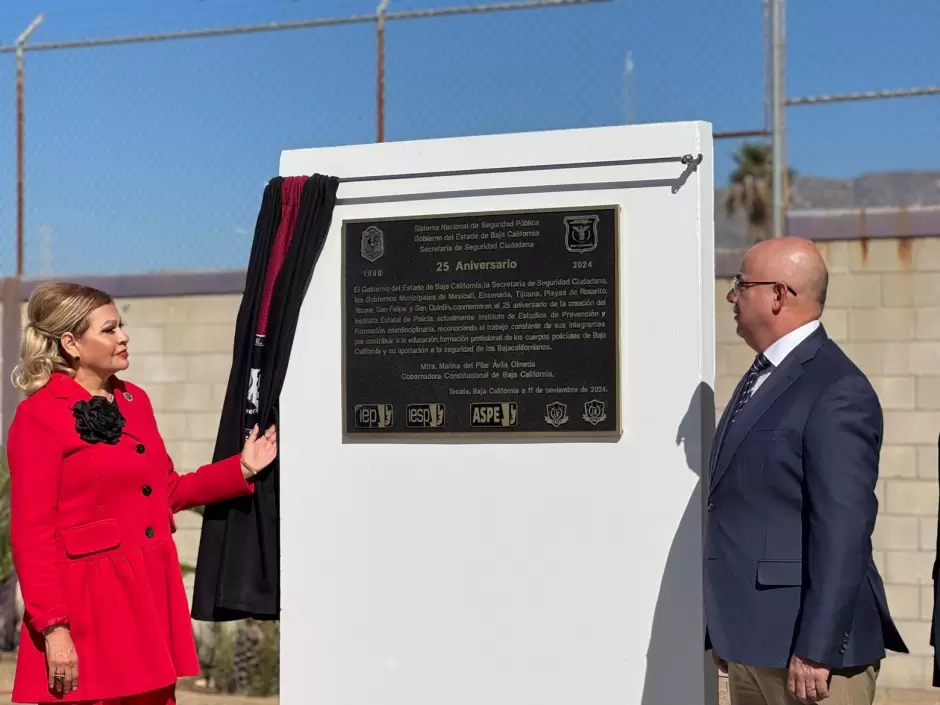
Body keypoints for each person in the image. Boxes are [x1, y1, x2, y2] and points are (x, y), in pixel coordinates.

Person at [5, 282, 278, 705]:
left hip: (147, 595)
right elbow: (31, 533)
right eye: (110, 329)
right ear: (72, 343)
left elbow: (164, 490)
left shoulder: (136, 401)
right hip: (86, 609)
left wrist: (240, 467)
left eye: (121, 326)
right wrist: (55, 628)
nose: (124, 337)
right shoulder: (37, 416)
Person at [704, 237, 908, 705]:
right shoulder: (764, 375)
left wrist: (817, 650)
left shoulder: (836, 388)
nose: (731, 296)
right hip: (753, 645)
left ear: (778, 295)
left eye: (741, 285)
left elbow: (843, 526)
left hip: (809, 662)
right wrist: (725, 626)